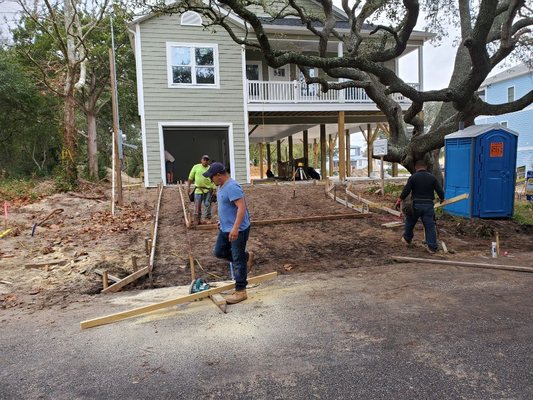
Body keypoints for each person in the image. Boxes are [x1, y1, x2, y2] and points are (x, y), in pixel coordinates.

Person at [203, 162, 254, 304]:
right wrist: (222, 221)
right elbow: (227, 208)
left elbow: (241, 208)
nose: (210, 180)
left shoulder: (232, 187)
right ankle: (246, 258)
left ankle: (241, 291)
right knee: (219, 252)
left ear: (219, 175)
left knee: (237, 260)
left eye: (211, 177)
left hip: (238, 230)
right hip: (225, 228)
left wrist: (236, 228)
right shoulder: (221, 187)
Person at [395, 159, 445, 254]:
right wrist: (442, 199)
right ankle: (432, 247)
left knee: (410, 222)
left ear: (416, 167)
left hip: (416, 205)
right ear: (425, 167)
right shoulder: (432, 178)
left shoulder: (413, 178)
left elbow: (406, 190)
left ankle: (407, 239)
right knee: (430, 226)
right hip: (428, 206)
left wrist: (400, 199)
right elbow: (439, 190)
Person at [187, 155, 215, 224]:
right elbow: (190, 177)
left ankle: (207, 218)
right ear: (201, 160)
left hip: (208, 189)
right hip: (198, 190)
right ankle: (197, 219)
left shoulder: (210, 168)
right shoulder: (196, 167)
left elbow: (213, 180)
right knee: (197, 205)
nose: (205, 161)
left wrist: (214, 189)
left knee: (207, 204)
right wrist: (188, 187)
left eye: (207, 160)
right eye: (204, 160)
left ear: (208, 161)